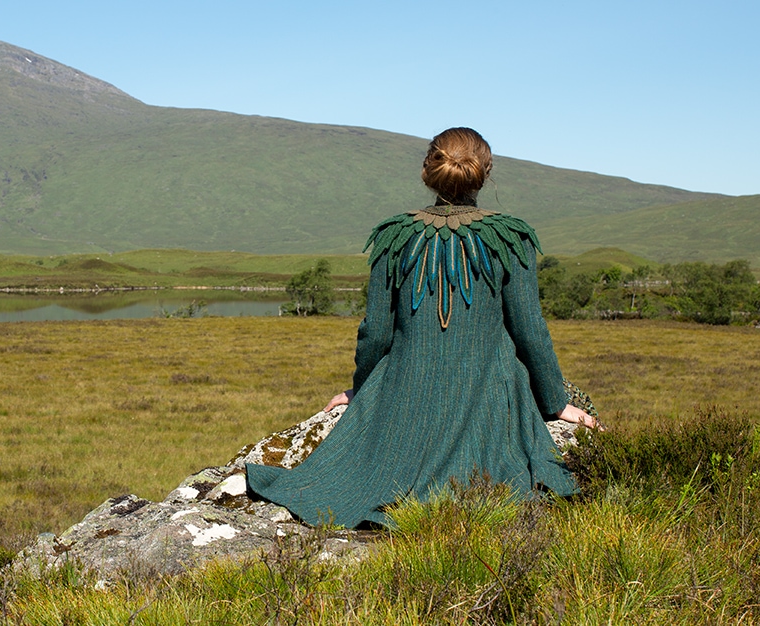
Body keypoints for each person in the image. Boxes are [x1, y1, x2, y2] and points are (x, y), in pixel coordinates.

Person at [245, 127, 600, 529]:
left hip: (403, 391)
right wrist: (555, 402)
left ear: (426, 171)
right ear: (486, 171)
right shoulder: (509, 237)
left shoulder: (396, 237)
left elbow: (376, 332)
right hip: (489, 390)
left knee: (338, 485)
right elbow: (530, 331)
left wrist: (362, 391)